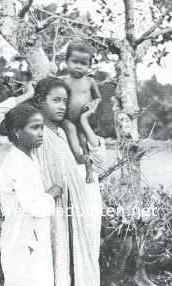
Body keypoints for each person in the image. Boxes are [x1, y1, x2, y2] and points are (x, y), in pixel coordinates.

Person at [0, 77, 107, 286]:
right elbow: (0, 116)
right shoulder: (32, 138)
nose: (62, 106)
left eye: (64, 100)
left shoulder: (62, 132)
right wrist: (28, 94)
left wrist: (83, 122)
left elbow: (98, 159)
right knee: (51, 282)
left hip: (76, 219)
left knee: (77, 274)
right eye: (55, 100)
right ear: (39, 102)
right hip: (49, 222)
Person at [0, 102, 63, 286]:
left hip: (31, 239)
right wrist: (53, 192)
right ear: (16, 132)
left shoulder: (28, 158)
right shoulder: (16, 163)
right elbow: (35, 205)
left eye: (42, 127)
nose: (41, 133)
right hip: (21, 241)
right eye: (35, 128)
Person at [62, 40, 102, 184]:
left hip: (82, 119)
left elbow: (98, 98)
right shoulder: (64, 82)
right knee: (70, 132)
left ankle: (89, 170)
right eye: (74, 61)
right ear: (66, 61)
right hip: (67, 118)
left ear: (89, 66)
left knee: (84, 142)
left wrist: (92, 107)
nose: (78, 66)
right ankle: (77, 156)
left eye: (84, 63)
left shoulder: (90, 82)